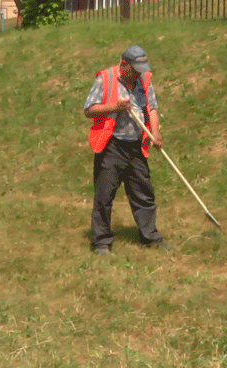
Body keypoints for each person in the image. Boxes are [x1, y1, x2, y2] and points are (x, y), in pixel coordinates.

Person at [84, 45, 170, 255]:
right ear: (124, 64)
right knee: (105, 196)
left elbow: (152, 107)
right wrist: (114, 107)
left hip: (136, 145)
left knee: (144, 194)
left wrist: (155, 132)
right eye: (135, 68)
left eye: (141, 68)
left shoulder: (144, 80)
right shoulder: (105, 79)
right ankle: (101, 242)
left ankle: (150, 236)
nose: (139, 73)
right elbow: (89, 109)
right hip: (112, 145)